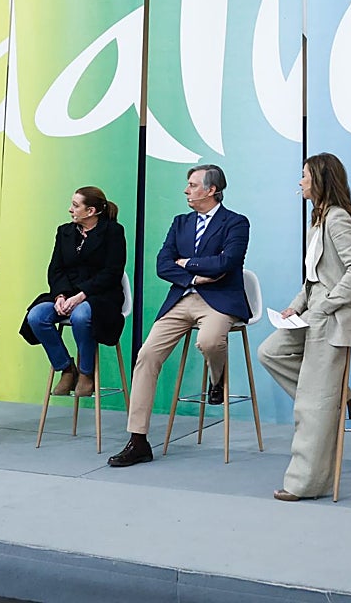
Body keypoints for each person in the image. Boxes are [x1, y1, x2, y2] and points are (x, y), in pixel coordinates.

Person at [107, 164, 251, 467]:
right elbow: (163, 264)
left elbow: (228, 262)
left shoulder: (236, 222)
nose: (186, 190)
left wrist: (188, 263)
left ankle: (217, 377)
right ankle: (138, 440)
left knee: (210, 341)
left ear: (211, 190)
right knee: (146, 356)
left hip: (219, 301)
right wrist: (195, 276)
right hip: (182, 297)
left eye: (192, 185)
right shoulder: (180, 222)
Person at [258, 153, 351, 501]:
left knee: (311, 404)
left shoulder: (338, 219)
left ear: (320, 179)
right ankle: (335, 396)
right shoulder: (319, 219)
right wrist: (297, 306)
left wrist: (328, 304)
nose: (300, 182)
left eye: (305, 176)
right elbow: (315, 278)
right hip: (316, 310)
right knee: (270, 351)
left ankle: (305, 483)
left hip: (334, 315)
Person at [20, 187, 127, 398]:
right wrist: (60, 295)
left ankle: (87, 373)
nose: (70, 210)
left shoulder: (113, 232)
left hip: (101, 296)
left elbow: (112, 272)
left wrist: (81, 295)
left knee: (81, 315)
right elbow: (55, 269)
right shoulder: (64, 232)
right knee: (37, 316)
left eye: (76, 206)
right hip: (66, 293)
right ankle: (67, 369)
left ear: (91, 211)